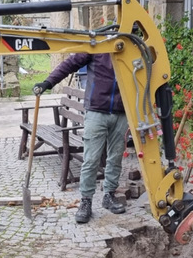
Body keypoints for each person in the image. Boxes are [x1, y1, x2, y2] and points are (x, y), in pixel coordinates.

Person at [34, 53, 127, 223]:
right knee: (91, 159)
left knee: (115, 157)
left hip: (122, 111)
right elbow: (70, 63)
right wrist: (48, 82)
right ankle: (86, 201)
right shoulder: (97, 46)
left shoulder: (130, 48)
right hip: (97, 111)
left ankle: (109, 195)